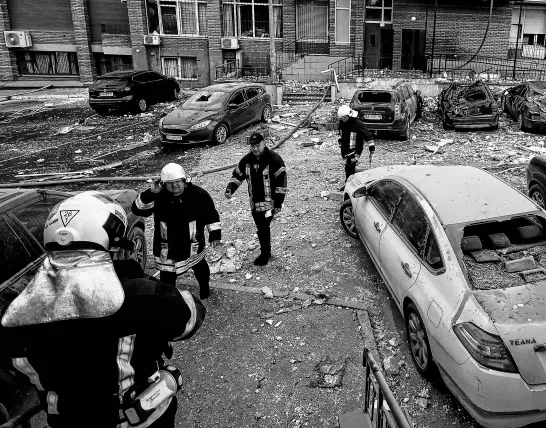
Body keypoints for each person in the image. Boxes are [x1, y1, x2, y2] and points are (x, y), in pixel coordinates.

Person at [0, 191, 205, 427]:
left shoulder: (15, 311)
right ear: (113, 244)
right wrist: (134, 276)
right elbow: (192, 316)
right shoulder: (141, 297)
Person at [132, 163, 221, 300]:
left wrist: (214, 234)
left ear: (184, 181)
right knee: (167, 276)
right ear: (164, 184)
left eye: (177, 182)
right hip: (167, 247)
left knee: (200, 268)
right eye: (170, 183)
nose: (174, 185)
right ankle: (171, 300)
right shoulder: (158, 196)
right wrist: (151, 193)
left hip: (192, 244)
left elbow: (211, 215)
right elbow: (138, 210)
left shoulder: (198, 194)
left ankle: (205, 289)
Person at [225, 132, 287, 266]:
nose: (255, 148)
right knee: (260, 226)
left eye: (258, 145)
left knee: (263, 227)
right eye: (252, 146)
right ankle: (266, 251)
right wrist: (230, 189)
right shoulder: (246, 161)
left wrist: (278, 203)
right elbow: (237, 176)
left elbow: (281, 183)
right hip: (254, 204)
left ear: (264, 143)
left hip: (270, 204)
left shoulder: (274, 160)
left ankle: (265, 253)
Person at [337, 104, 375, 185]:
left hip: (355, 150)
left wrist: (371, 147)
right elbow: (341, 134)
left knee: (351, 165)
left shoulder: (358, 124)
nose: (343, 119)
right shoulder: (342, 123)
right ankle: (349, 182)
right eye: (342, 117)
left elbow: (367, 135)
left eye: (344, 117)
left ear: (349, 115)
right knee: (347, 166)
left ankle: (351, 183)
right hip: (345, 149)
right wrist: (341, 141)